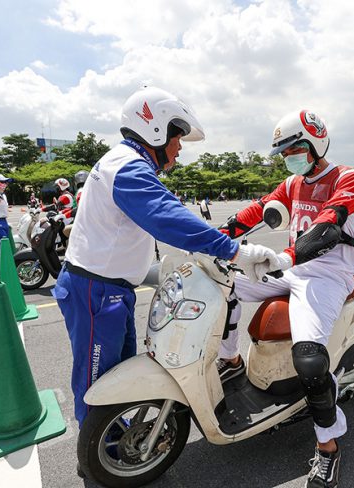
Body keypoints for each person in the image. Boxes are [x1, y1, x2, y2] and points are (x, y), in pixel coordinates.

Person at [52, 86, 276, 432]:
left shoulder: (124, 163)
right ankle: (99, 455)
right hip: (96, 291)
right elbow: (166, 216)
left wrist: (151, 271)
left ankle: (114, 438)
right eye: (177, 136)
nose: (179, 147)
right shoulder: (127, 168)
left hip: (108, 288)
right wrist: (236, 250)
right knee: (97, 380)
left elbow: (130, 229)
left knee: (118, 371)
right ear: (155, 130)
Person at [217, 109, 354, 488]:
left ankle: (329, 448)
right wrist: (213, 240)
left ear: (316, 142)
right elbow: (254, 211)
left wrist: (286, 257)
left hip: (327, 275)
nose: (289, 157)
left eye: (294, 148)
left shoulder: (348, 179)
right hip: (292, 268)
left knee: (310, 362)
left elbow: (328, 225)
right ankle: (231, 360)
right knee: (223, 286)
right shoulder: (292, 182)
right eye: (283, 152)